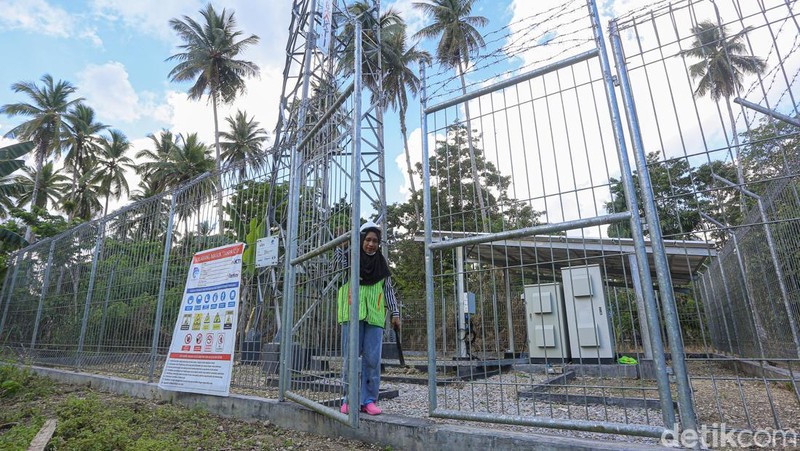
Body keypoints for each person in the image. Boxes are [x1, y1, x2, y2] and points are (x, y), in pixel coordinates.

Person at [334, 221, 400, 415]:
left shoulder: (381, 264)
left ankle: (368, 400)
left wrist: (395, 313)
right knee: (350, 359)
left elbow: (388, 290)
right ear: (362, 240)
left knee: (372, 360)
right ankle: (349, 399)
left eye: (375, 241)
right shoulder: (351, 259)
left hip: (375, 316)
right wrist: (341, 247)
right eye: (368, 240)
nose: (371, 244)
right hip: (351, 314)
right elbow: (339, 267)